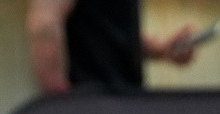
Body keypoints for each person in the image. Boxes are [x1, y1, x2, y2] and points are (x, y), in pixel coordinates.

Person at [26, 0, 197, 94]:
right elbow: (45, 23)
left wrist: (163, 49)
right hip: (88, 105)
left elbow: (110, 32)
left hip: (122, 103)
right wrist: (61, 108)